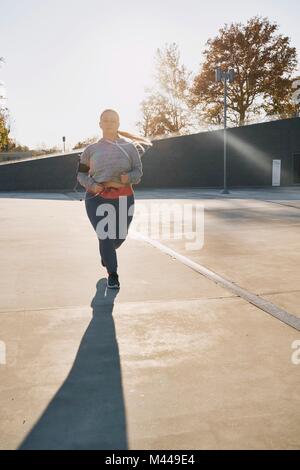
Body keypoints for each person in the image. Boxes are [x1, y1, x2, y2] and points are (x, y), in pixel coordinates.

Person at [77, 108, 152, 288]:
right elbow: (80, 175)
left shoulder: (129, 148)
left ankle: (107, 253)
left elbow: (138, 172)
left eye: (113, 120)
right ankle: (113, 273)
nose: (109, 123)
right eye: (106, 120)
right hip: (96, 198)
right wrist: (92, 185)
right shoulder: (91, 149)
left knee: (119, 238)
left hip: (124, 197)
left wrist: (129, 178)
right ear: (100, 124)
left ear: (118, 124)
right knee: (105, 236)